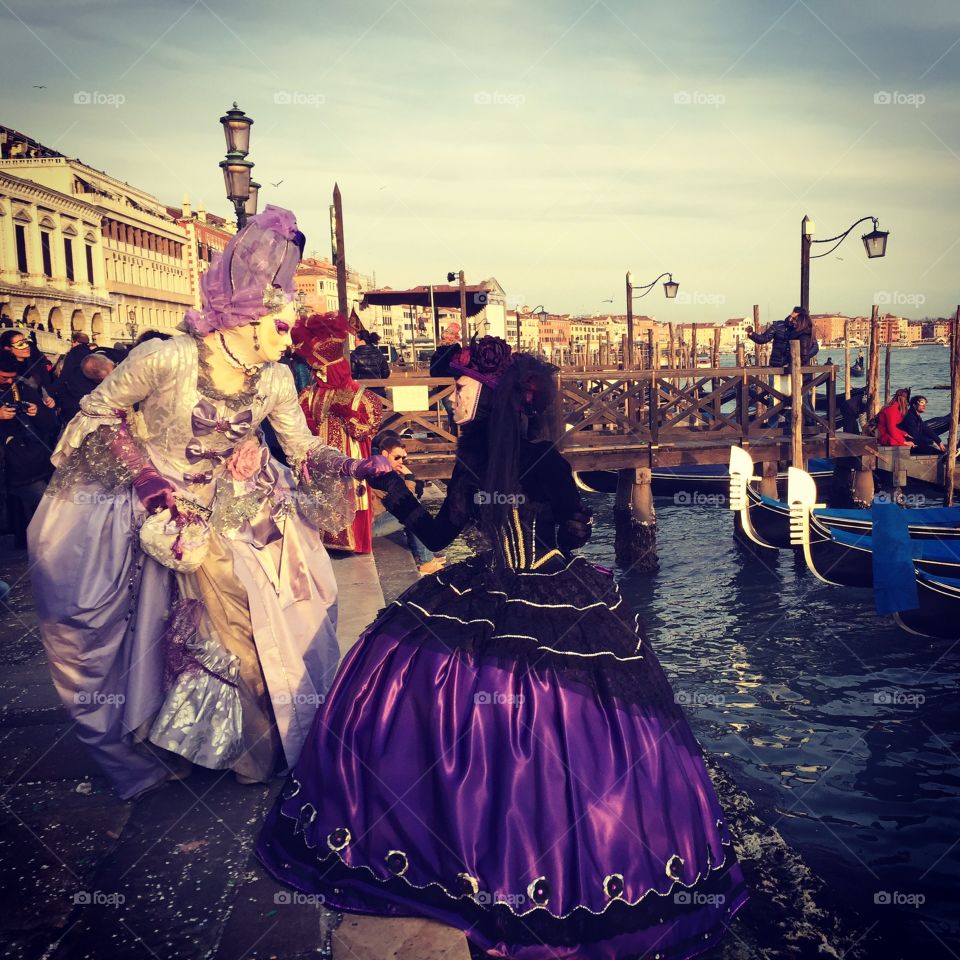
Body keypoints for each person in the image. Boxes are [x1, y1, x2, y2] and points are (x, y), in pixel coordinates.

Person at [257, 335, 747, 959]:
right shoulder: (546, 455)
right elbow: (574, 531)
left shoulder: (477, 454)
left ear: (487, 395)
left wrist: (389, 485)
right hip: (559, 590)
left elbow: (435, 533)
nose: (450, 399)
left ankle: (462, 851)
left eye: (458, 388)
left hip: (494, 587)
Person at [27, 206, 390, 801]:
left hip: (223, 515)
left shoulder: (273, 380)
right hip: (146, 510)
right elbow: (98, 414)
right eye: (281, 328)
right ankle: (159, 744)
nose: (289, 338)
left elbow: (301, 447)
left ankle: (241, 748)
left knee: (249, 627)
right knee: (122, 635)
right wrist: (147, 480)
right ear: (247, 320)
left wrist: (359, 464)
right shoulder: (167, 357)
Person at [292, 311, 384, 554]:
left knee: (347, 490)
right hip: (319, 456)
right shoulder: (311, 393)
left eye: (320, 370)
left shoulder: (357, 395)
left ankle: (352, 542)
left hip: (347, 454)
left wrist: (348, 413)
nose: (316, 374)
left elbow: (366, 429)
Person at [0, 354, 58, 545]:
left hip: (30, 459)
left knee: (44, 504)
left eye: (11, 377)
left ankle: (34, 542)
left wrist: (38, 411)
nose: (9, 381)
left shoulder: (22, 388)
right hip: (10, 462)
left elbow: (49, 424)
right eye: (4, 377)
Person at [370, 435, 443, 575]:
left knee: (412, 510)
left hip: (375, 519)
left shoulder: (382, 469)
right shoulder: (380, 473)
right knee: (412, 511)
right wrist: (409, 477)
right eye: (397, 458)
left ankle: (422, 556)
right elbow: (407, 499)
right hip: (372, 526)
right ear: (385, 454)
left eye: (403, 458)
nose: (401, 462)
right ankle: (425, 561)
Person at [430, 322, 461, 432]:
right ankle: (458, 437)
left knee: (451, 413)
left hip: (444, 387)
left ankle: (452, 437)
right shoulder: (458, 350)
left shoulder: (436, 353)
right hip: (457, 385)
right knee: (459, 413)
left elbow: (432, 372)